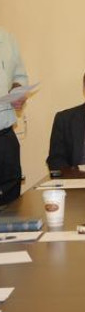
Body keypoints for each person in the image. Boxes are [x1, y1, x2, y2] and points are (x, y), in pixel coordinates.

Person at [0, 29, 29, 205]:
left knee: (10, 206)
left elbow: (19, 77)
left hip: (5, 137)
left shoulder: (7, 38)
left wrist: (17, 92)